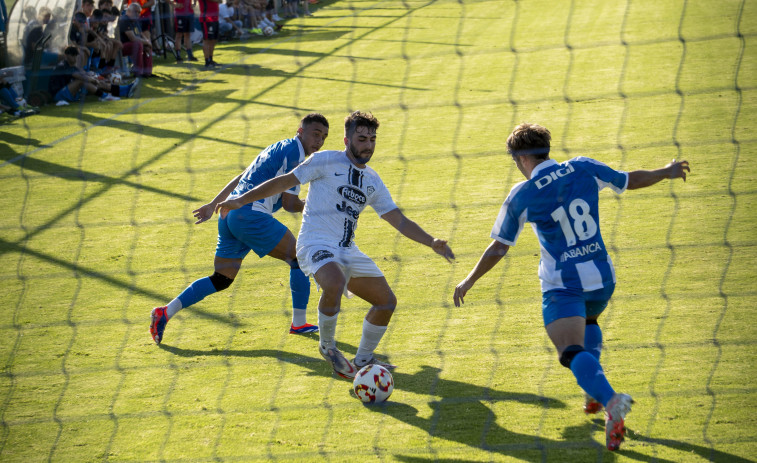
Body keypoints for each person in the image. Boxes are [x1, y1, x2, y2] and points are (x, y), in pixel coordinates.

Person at [452, 122, 691, 451]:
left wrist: (469, 279)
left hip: (563, 286)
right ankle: (595, 396)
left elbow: (498, 247)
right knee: (589, 322)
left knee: (570, 351)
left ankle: (611, 400)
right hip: (602, 280)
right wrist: (665, 172)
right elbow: (628, 180)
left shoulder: (522, 195)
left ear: (521, 159)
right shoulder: (582, 166)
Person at [215, 111, 455, 379]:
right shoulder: (324, 160)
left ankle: (364, 359)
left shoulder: (373, 180)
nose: (368, 145)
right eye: (362, 138)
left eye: (372, 139)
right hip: (314, 243)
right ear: (346, 139)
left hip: (347, 249)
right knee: (335, 282)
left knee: (386, 302)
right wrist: (240, 199)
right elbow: (284, 182)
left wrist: (431, 241)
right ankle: (328, 347)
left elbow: (397, 219)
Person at [150, 113, 331, 345]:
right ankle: (299, 323)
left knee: (221, 279)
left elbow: (241, 177)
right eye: (315, 134)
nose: (319, 141)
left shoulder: (277, 147)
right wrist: (323, 204)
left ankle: (165, 312)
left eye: (324, 137)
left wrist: (213, 204)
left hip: (229, 215)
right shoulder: (295, 154)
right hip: (250, 215)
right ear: (300, 131)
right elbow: (290, 205)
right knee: (298, 257)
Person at [48, 46, 128, 104]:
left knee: (96, 82)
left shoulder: (72, 66)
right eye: (73, 56)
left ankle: (124, 90)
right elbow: (80, 77)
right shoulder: (63, 66)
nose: (75, 58)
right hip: (58, 95)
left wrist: (97, 78)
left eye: (76, 56)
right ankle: (104, 97)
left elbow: (84, 74)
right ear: (67, 55)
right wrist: (94, 79)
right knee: (82, 81)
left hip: (69, 92)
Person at [119, 2, 155, 78]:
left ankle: (147, 72)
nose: (138, 14)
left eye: (139, 12)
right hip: (121, 47)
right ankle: (138, 72)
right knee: (138, 44)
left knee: (147, 46)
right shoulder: (124, 19)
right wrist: (147, 42)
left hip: (132, 45)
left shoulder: (135, 21)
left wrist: (148, 42)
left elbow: (141, 33)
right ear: (129, 11)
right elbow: (133, 38)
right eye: (136, 12)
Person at [198, 0, 221, 68]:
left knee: (213, 40)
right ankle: (207, 61)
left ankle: (210, 59)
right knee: (207, 40)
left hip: (215, 18)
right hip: (207, 18)